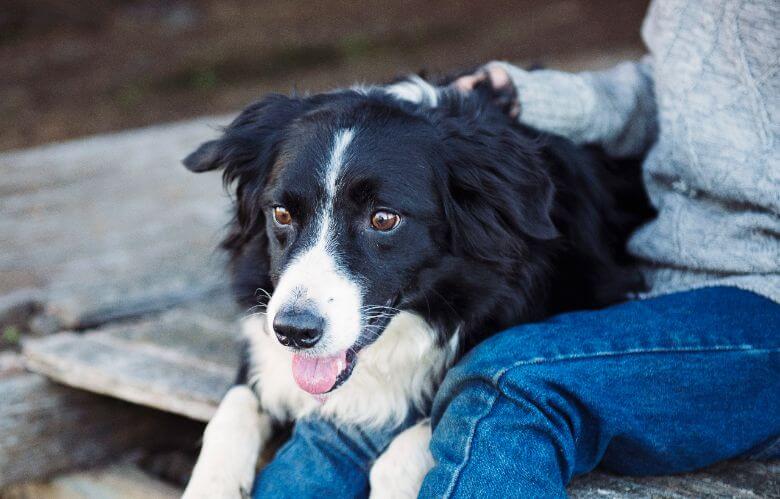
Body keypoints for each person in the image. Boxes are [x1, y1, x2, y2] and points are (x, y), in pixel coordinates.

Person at [254, 0, 779, 496]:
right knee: (336, 433)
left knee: (505, 389)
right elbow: (685, 90)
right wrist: (531, 96)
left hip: (761, 290)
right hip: (666, 271)